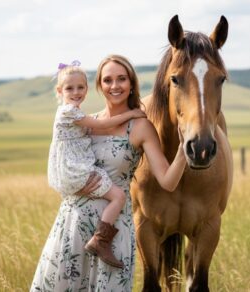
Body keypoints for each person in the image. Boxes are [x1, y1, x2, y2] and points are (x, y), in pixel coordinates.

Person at [30, 55, 187, 292]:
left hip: (113, 234)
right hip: (73, 222)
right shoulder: (85, 122)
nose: (115, 86)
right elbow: (61, 163)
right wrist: (74, 185)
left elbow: (168, 181)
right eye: (108, 80)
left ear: (132, 83)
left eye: (122, 79)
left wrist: (185, 151)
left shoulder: (141, 126)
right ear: (99, 85)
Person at [47, 62, 146, 268]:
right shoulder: (69, 112)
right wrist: (131, 114)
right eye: (69, 88)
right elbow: (101, 125)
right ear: (59, 91)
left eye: (80, 87)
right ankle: (101, 241)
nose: (76, 92)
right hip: (76, 170)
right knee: (118, 196)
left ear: (88, 88)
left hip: (71, 169)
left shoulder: (73, 113)